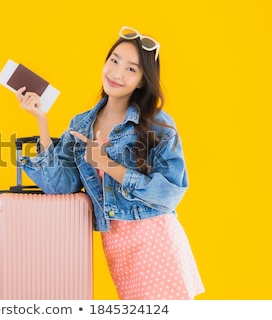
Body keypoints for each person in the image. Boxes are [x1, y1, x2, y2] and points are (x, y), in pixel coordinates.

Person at [14, 26, 204, 300]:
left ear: (141, 80)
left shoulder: (158, 125)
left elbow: (169, 195)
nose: (116, 73)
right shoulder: (80, 125)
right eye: (114, 60)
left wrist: (106, 163)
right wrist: (41, 121)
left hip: (155, 241)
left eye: (131, 69)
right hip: (116, 246)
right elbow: (60, 186)